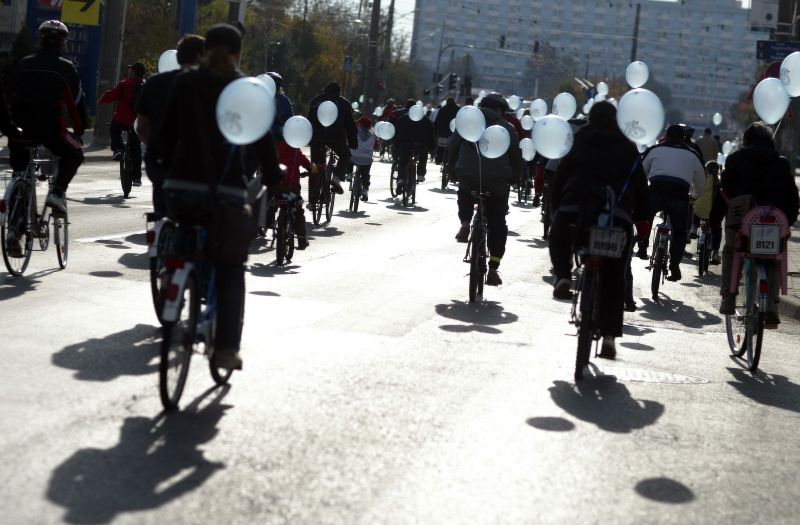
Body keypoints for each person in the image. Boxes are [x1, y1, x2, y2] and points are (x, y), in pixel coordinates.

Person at [156, 23, 282, 370]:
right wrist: (274, 176)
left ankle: (174, 277)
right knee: (230, 269)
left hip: (180, 187)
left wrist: (164, 171)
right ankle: (226, 348)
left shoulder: (184, 82)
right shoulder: (245, 89)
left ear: (205, 49)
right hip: (225, 190)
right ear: (239, 53)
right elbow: (263, 141)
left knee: (185, 230)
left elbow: (164, 135)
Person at [548, 102, 650, 358]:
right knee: (615, 276)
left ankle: (562, 276)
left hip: (576, 209)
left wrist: (556, 206)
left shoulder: (578, 138)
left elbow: (561, 175)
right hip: (616, 216)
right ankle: (608, 338)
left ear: (590, 117)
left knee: (559, 235)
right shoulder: (628, 146)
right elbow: (640, 185)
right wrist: (642, 216)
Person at [711, 122, 799, 326]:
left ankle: (728, 297)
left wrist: (715, 218)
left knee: (731, 251)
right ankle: (771, 305)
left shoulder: (734, 160)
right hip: (774, 223)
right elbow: (792, 197)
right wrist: (789, 220)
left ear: (746, 140)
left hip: (742, 222)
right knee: (775, 258)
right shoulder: (781, 163)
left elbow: (724, 192)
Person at [7, 20, 86, 221]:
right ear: (63, 43)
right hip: (50, 129)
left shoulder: (24, 63)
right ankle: (57, 192)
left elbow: (7, 96)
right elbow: (77, 104)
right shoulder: (66, 68)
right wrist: (79, 130)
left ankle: (14, 231)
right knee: (75, 154)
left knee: (20, 172)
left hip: (19, 130)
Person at [449, 92, 522, 286]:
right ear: (500, 110)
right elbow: (516, 156)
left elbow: (453, 147)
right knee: (498, 222)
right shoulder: (508, 128)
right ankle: (494, 268)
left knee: (465, 190)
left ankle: (465, 224)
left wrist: (452, 171)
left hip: (468, 174)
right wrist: (517, 176)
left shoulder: (466, 122)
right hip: (497, 181)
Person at [137, 34, 205, 217]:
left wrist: (154, 145)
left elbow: (141, 126)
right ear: (199, 57)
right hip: (195, 164)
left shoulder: (154, 82)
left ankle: (160, 232)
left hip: (158, 159)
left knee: (162, 206)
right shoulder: (207, 85)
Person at [640, 124, 705, 281]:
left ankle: (642, 246)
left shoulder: (654, 150)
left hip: (656, 192)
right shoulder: (693, 154)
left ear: (666, 136)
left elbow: (641, 174)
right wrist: (694, 196)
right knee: (680, 231)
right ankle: (674, 265)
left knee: (645, 217)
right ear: (683, 138)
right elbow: (701, 183)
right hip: (680, 195)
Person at [307, 81, 357, 201]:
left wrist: (309, 138)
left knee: (315, 167)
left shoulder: (316, 101)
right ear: (338, 93)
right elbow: (351, 125)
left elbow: (309, 120)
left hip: (317, 138)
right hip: (336, 138)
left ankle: (312, 198)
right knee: (345, 155)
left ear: (325, 90)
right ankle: (336, 177)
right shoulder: (344, 103)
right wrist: (353, 143)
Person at [99, 61, 146, 185]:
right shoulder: (146, 85)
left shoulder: (125, 84)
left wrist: (101, 100)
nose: (129, 71)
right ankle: (137, 178)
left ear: (134, 72)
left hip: (122, 119)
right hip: (137, 122)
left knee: (114, 129)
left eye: (131, 69)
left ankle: (118, 149)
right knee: (136, 147)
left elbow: (112, 95)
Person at [273, 139, 311, 250]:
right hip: (292, 188)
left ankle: (265, 223)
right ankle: (302, 239)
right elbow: (308, 165)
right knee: (298, 211)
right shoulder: (296, 151)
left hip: (277, 187)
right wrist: (312, 170)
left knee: (271, 203)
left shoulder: (277, 146)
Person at [394, 99, 435, 191]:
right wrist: (432, 147)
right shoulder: (425, 119)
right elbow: (431, 134)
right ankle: (420, 174)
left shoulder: (403, 118)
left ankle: (400, 178)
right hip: (420, 145)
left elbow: (397, 133)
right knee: (423, 157)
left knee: (402, 161)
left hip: (405, 144)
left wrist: (396, 145)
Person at [691, 160, 723, 264]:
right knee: (717, 229)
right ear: (717, 171)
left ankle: (694, 227)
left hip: (700, 209)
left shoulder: (701, 180)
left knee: (695, 208)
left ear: (705, 170)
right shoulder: (719, 183)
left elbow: (693, 190)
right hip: (713, 213)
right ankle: (715, 252)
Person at [349, 116, 376, 201]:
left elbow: (348, 140)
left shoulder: (354, 132)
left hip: (353, 157)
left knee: (348, 158)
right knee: (366, 174)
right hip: (367, 160)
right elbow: (377, 147)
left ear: (360, 124)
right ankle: (365, 189)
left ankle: (349, 174)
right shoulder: (373, 136)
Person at [433, 97, 459, 164]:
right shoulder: (458, 110)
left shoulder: (442, 110)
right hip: (454, 135)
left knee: (441, 148)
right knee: (455, 149)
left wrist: (436, 134)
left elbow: (436, 123)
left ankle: (439, 159)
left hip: (443, 134)